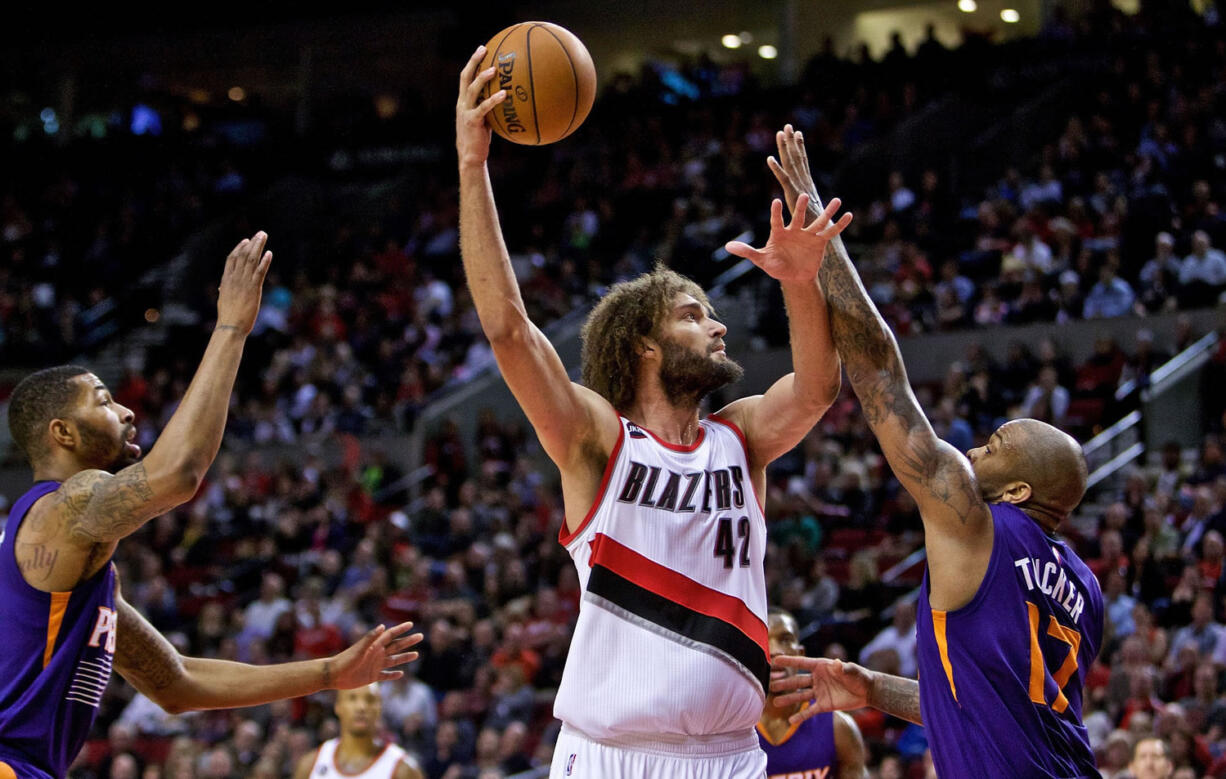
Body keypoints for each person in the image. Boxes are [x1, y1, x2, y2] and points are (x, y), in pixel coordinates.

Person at [457, 50, 851, 777]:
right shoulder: (597, 441)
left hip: (734, 755)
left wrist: (803, 280)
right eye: (694, 313)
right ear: (643, 343)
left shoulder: (741, 438)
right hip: (613, 755)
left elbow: (819, 386)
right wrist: (473, 163)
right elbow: (510, 331)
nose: (718, 325)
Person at [0, 233, 423, 779]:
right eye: (104, 402)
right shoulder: (66, 507)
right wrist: (231, 328)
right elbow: (177, 473)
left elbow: (176, 683)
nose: (128, 410)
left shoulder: (80, 563)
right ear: (61, 433)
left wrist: (328, 672)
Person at [759, 126, 1104, 777]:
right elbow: (998, 710)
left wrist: (818, 234)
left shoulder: (972, 520)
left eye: (996, 444)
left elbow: (880, 368)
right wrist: (870, 687)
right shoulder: (1085, 588)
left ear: (1020, 490)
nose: (976, 446)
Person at [757, 609, 867, 779]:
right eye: (764, 640)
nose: (774, 650)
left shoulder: (838, 726)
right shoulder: (732, 729)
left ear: (801, 653)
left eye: (785, 640)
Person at [293, 683, 423, 779]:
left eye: (370, 700)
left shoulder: (403, 769)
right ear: (338, 706)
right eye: (352, 698)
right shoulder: (310, 765)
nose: (361, 707)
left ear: (380, 708)